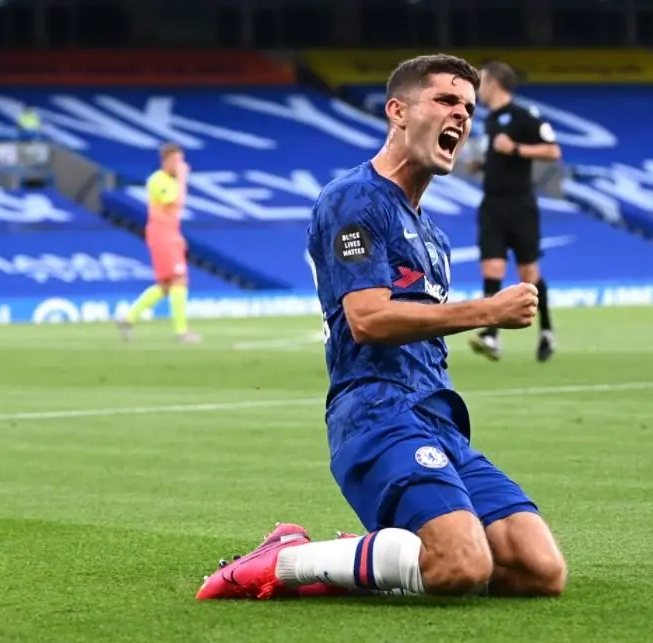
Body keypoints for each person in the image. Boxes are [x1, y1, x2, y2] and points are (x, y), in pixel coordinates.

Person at [196, 54, 567, 601]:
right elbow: (368, 319)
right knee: (461, 564)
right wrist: (488, 311)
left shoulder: (433, 237)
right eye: (445, 100)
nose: (462, 116)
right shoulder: (354, 198)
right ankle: (288, 558)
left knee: (539, 571)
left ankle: (371, 557)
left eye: (469, 108)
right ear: (398, 111)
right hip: (376, 413)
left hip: (440, 420)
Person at [468, 60, 562, 363]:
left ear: (494, 83)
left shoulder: (524, 116)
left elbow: (553, 150)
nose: (478, 89)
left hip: (520, 206)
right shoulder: (491, 120)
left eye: (481, 81)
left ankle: (546, 330)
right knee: (491, 268)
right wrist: (484, 165)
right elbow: (501, 156)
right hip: (492, 204)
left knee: (528, 274)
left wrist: (517, 149)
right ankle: (491, 335)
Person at [117, 143, 200, 343]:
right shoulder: (158, 180)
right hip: (161, 233)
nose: (180, 165)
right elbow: (173, 201)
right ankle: (181, 332)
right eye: (177, 161)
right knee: (179, 280)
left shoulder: (169, 180)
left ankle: (128, 318)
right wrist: (182, 178)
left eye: (181, 161)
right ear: (166, 161)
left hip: (169, 232)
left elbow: (173, 212)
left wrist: (177, 235)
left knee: (165, 285)